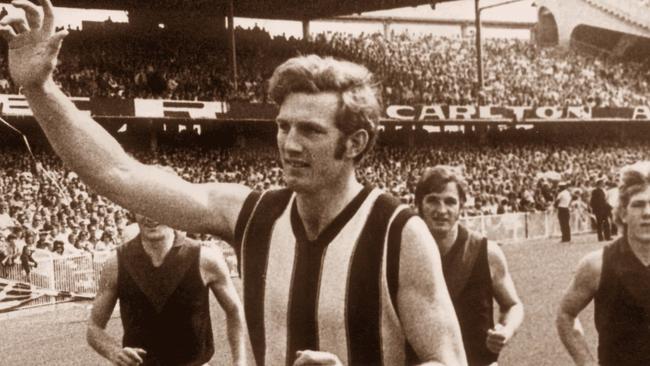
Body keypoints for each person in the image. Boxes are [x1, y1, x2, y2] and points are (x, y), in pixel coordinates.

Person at [1, 2, 466, 365]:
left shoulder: (399, 233)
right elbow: (118, 174)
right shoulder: (252, 214)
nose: (290, 144)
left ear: (356, 141)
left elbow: (448, 360)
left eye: (311, 130)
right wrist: (40, 89)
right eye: (284, 126)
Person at [86, 211, 246, 366]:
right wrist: (114, 352)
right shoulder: (116, 264)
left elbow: (234, 310)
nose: (149, 216)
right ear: (133, 211)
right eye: (141, 207)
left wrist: (240, 361)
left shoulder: (204, 258)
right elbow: (94, 327)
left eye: (157, 206)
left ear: (171, 208)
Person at [415, 166, 524, 366]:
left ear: (461, 206)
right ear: (419, 204)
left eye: (450, 201)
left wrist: (505, 330)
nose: (441, 210)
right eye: (432, 200)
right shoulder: (403, 255)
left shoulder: (486, 253)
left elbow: (513, 305)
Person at [556, 161, 650, 366]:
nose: (647, 212)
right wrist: (586, 363)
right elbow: (565, 314)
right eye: (638, 204)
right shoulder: (597, 264)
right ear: (623, 213)